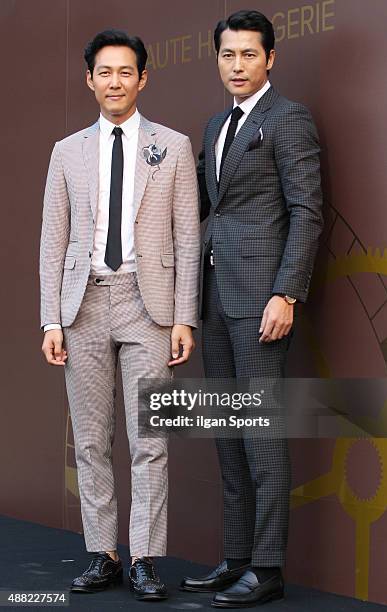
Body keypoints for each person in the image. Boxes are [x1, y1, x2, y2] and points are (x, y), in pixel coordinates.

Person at [40, 29, 200, 601]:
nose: (115, 81)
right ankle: (103, 553)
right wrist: (50, 320)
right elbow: (52, 241)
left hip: (148, 304)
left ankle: (146, 560)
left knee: (150, 439)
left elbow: (187, 237)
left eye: (125, 72)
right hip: (82, 305)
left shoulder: (173, 146)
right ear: (90, 80)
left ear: (143, 77)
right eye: (104, 72)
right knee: (90, 440)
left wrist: (186, 317)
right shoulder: (66, 151)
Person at [181, 10, 323, 608]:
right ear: (216, 59)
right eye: (227, 55)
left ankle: (266, 569)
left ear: (270, 59)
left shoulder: (288, 120)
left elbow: (307, 212)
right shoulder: (216, 124)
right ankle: (236, 557)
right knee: (228, 436)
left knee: (260, 435)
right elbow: (195, 207)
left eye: (247, 55)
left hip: (263, 301)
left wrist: (286, 293)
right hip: (213, 302)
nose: (236, 65)